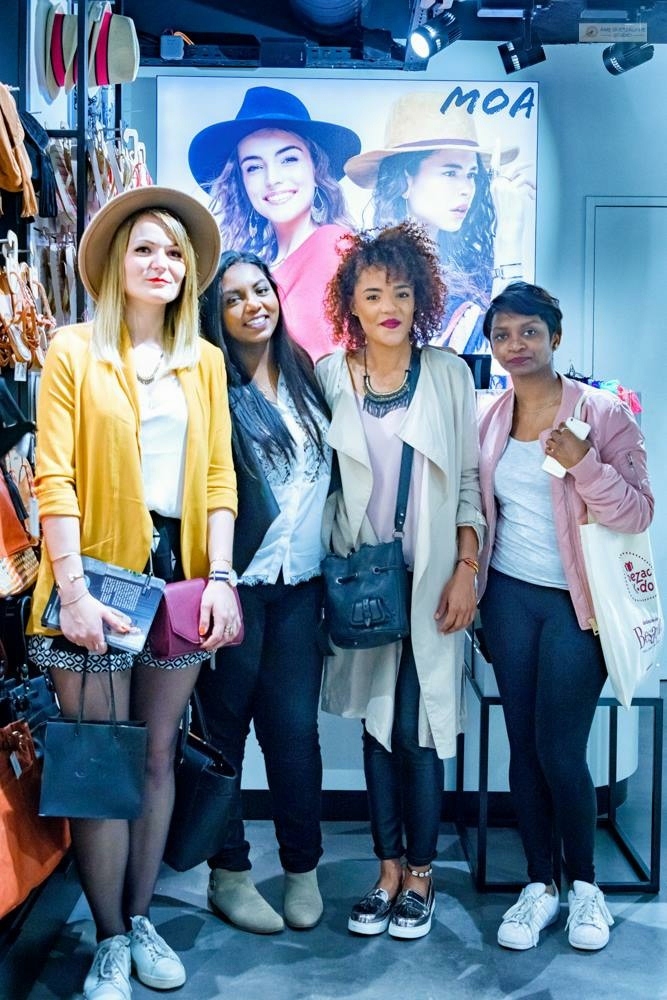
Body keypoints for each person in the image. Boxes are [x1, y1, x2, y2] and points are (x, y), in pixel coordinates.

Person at [26, 187, 240, 1000]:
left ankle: (141, 917)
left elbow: (217, 477)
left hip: (180, 581)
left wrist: (222, 578)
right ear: (117, 261)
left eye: (175, 252)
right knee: (99, 760)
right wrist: (73, 590)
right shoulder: (74, 349)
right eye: (146, 248)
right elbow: (54, 476)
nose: (161, 263)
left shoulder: (203, 361)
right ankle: (109, 939)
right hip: (92, 577)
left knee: (156, 754)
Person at [316, 221, 485, 939]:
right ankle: (386, 871)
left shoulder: (447, 374)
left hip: (432, 582)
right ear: (350, 304)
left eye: (402, 292)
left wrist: (467, 570)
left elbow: (469, 483)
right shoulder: (331, 374)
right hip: (363, 584)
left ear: (421, 299)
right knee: (377, 727)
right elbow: (319, 482)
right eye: (373, 293)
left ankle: (421, 874)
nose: (389, 306)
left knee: (420, 728)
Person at [476, 282, 654, 952]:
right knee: (522, 748)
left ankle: (584, 887)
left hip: (578, 605)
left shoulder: (602, 413)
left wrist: (585, 467)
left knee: (559, 748)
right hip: (508, 598)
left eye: (529, 331)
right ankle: (538, 885)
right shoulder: (490, 417)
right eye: (502, 335)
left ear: (555, 337)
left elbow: (638, 512)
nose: (515, 345)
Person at [196, 249, 332, 934]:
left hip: (300, 587)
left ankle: (302, 869)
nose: (254, 305)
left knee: (294, 734)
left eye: (261, 289)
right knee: (224, 735)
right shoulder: (213, 385)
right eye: (234, 298)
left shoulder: (307, 374)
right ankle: (229, 874)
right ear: (215, 315)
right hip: (236, 588)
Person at [343, 92, 532, 355]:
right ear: (406, 179)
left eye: (471, 175)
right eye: (450, 172)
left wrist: (510, 237)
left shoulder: (473, 268)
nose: (466, 189)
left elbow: (511, 356)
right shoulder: (368, 269)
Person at [188, 86, 361, 362]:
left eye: (288, 159)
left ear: (316, 168)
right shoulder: (259, 266)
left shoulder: (334, 246)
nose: (272, 179)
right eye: (254, 167)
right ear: (241, 182)